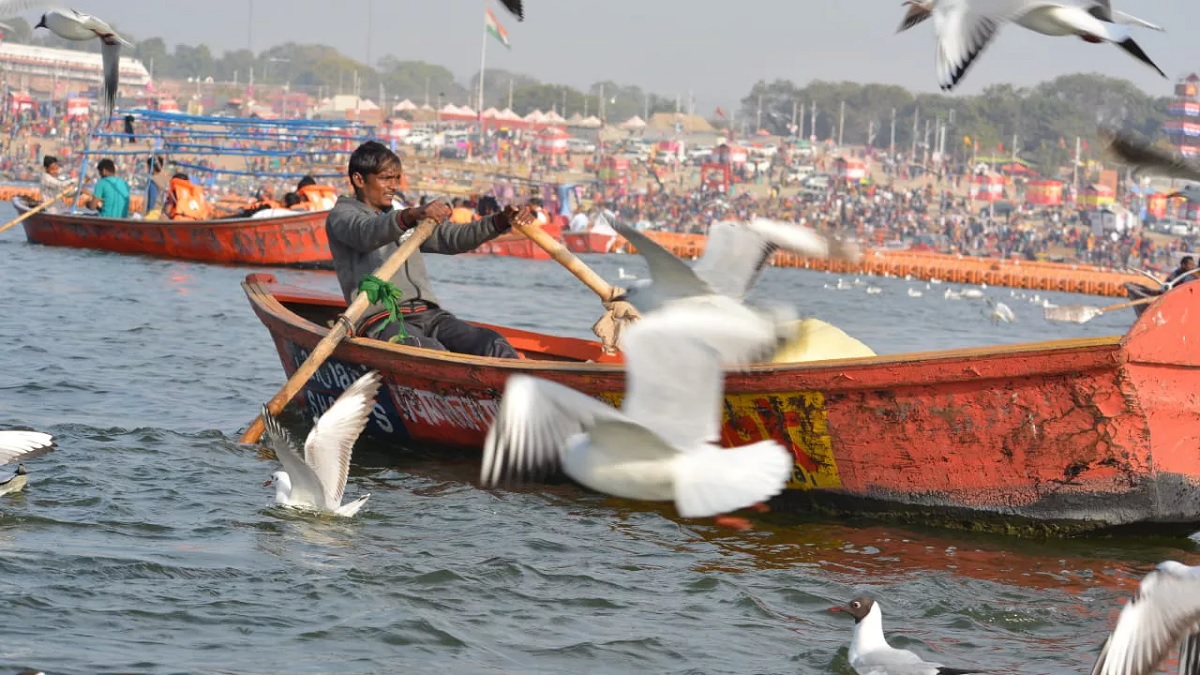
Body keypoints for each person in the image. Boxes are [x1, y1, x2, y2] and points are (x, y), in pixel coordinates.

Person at [326, 141, 535, 358]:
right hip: (380, 320)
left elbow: (453, 238)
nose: (394, 186)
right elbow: (365, 234)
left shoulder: (400, 214)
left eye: (397, 178)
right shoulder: (343, 215)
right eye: (386, 178)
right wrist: (410, 215)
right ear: (359, 179)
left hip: (429, 315)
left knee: (492, 343)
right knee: (429, 352)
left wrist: (500, 221)